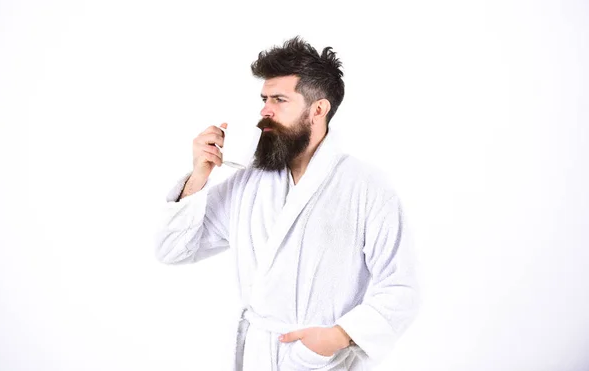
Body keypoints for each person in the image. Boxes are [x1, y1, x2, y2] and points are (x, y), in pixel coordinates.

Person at [155, 36, 420, 371]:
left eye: (279, 100)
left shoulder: (366, 186)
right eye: (264, 99)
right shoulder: (249, 181)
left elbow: (401, 287)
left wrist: (337, 337)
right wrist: (199, 176)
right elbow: (172, 249)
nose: (265, 110)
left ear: (319, 109)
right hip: (256, 357)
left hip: (321, 362)